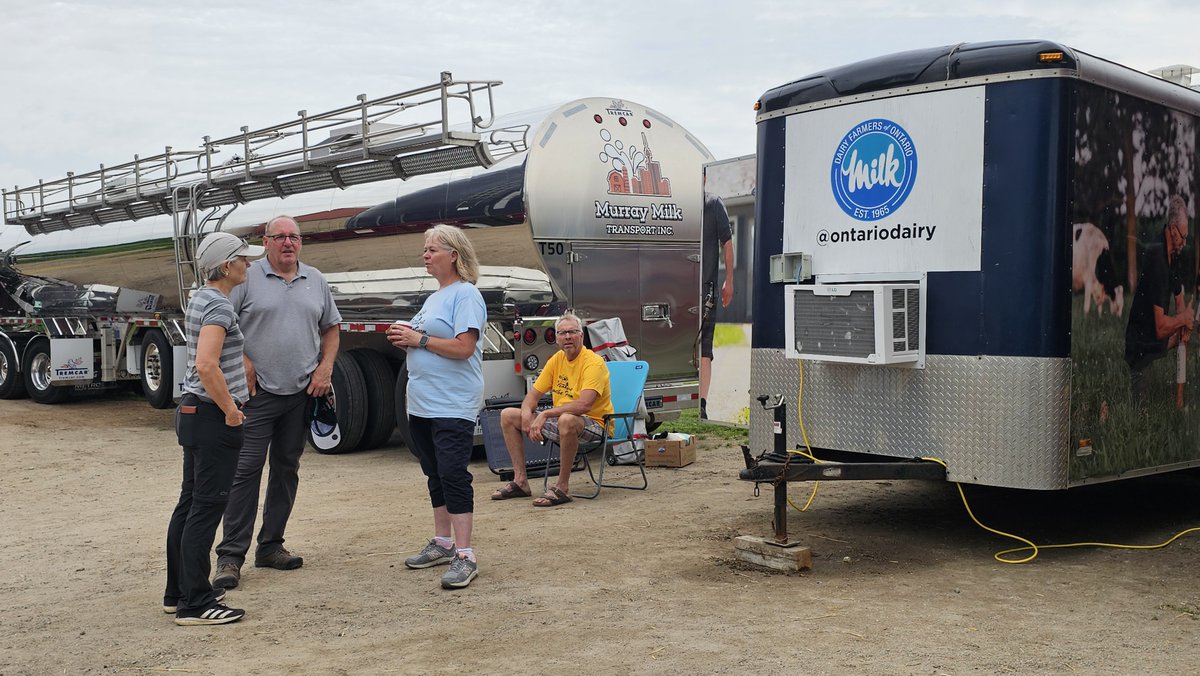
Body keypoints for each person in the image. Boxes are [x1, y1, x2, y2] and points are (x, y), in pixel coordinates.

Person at [212, 215, 341, 589]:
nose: (288, 243)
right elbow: (222, 325)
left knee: (287, 469)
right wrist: (244, 361)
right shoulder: (245, 278)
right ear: (265, 242)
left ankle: (270, 546)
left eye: (294, 237)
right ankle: (230, 557)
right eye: (280, 237)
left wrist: (325, 368)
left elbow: (330, 328)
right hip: (257, 396)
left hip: (301, 393)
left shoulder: (315, 279)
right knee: (245, 472)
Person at [164, 231, 263, 625]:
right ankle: (196, 603)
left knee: (190, 505)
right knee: (205, 509)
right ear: (227, 266)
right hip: (211, 416)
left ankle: (180, 592)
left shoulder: (201, 298)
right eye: (243, 259)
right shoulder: (219, 307)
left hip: (193, 413)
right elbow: (207, 365)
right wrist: (232, 411)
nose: (249, 265)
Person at [386, 224, 486, 589]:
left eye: (432, 250)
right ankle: (443, 542)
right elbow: (426, 340)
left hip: (452, 403)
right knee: (434, 473)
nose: (425, 255)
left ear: (454, 255)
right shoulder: (434, 298)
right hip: (424, 404)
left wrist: (419, 339)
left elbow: (463, 348)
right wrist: (406, 338)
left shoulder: (466, 295)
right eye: (425, 250)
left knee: (453, 473)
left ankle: (465, 554)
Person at [490, 311, 613, 507]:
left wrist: (545, 414)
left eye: (572, 332)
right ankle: (520, 482)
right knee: (507, 415)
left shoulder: (593, 362)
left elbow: (584, 405)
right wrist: (527, 415)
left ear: (581, 335)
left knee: (566, 419)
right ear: (556, 338)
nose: (567, 337)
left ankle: (562, 487)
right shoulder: (556, 360)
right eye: (562, 333)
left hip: (595, 425)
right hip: (563, 421)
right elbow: (531, 396)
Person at [1125, 195, 1193, 402]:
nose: (1185, 241)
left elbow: (1180, 300)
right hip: (1141, 345)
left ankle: (1179, 401)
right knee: (1141, 415)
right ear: (1173, 230)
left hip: (1155, 337)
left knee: (1183, 331)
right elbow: (1161, 328)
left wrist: (1186, 327)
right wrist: (1183, 320)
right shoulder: (1157, 258)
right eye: (1183, 236)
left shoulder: (1174, 253)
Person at [699, 186, 734, 420]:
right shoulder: (680, 203)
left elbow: (727, 242)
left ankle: (702, 404)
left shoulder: (713, 204)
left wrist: (729, 280)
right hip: (680, 289)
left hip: (706, 291)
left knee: (704, 349)